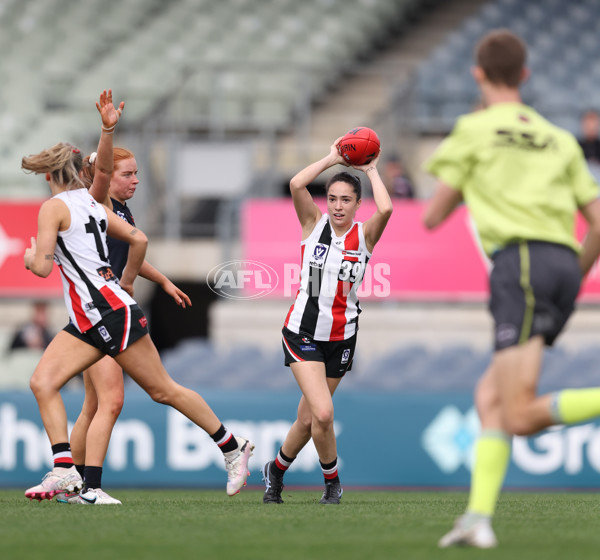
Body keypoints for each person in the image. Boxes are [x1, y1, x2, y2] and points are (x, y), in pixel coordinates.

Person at [21, 90, 253, 504]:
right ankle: (65, 470)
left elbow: (40, 267)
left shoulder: (54, 207)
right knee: (43, 381)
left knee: (161, 390)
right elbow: (138, 237)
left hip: (105, 312)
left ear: (48, 177)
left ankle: (232, 447)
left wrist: (29, 256)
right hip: (92, 317)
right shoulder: (93, 203)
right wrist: (107, 129)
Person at [422, 29, 600, 548]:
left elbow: (432, 214)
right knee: (489, 398)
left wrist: (467, 187)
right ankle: (478, 518)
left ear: (477, 74)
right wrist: (575, 275)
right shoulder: (560, 137)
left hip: (519, 262)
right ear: (525, 75)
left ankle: (478, 518)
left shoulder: (474, 130)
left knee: (518, 413)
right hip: (564, 264)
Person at [55, 141, 192, 505]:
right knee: (112, 401)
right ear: (106, 176)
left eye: (136, 174)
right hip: (101, 314)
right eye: (127, 174)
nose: (135, 181)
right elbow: (127, 253)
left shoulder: (121, 211)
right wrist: (128, 281)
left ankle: (75, 485)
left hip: (101, 312)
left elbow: (128, 249)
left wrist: (161, 281)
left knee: (93, 405)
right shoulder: (95, 204)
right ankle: (89, 488)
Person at [261, 137, 393, 504]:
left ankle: (276, 470)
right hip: (302, 331)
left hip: (342, 336)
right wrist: (333, 157)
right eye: (332, 198)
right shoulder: (312, 224)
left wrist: (370, 169)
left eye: (346, 199)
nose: (337, 206)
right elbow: (296, 184)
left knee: (307, 419)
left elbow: (387, 208)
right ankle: (333, 481)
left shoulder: (364, 235)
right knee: (322, 411)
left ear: (357, 204)